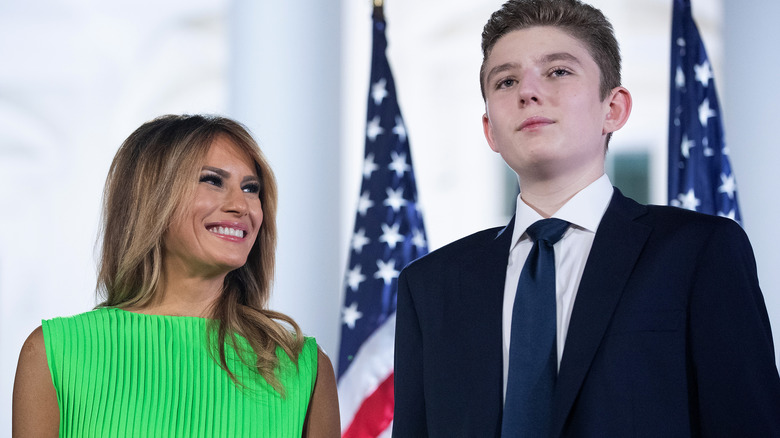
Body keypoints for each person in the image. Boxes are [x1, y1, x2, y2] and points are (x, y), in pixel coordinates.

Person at [393, 0, 780, 436]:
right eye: (506, 81)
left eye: (558, 71)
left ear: (613, 109)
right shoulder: (428, 287)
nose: (527, 91)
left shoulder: (699, 252)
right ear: (490, 131)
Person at [12, 114, 340, 437]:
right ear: (151, 198)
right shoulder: (54, 354)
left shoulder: (303, 368)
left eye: (251, 188)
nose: (241, 205)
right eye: (213, 180)